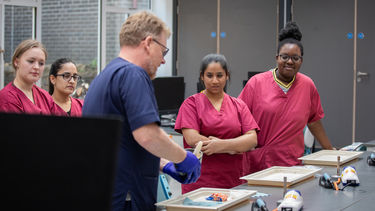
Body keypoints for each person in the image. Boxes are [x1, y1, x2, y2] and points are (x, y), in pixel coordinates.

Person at [82, 11, 201, 211]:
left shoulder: (106, 75)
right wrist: (182, 158)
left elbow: (125, 145)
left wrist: (164, 164)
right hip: (127, 199)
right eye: (163, 52)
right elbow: (148, 136)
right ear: (148, 42)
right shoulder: (133, 74)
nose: (163, 61)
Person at [238, 22, 334, 175]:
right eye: (285, 57)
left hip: (294, 164)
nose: (290, 62)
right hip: (260, 164)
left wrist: (330, 151)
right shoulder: (256, 83)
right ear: (277, 58)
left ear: (301, 60)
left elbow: (314, 120)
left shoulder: (307, 85)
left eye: (295, 58)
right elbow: (238, 118)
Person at [174, 54, 259, 194]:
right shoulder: (191, 104)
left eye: (219, 75)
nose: (215, 81)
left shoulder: (239, 105)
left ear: (227, 76)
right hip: (200, 183)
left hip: (234, 182)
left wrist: (221, 146)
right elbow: (192, 139)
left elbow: (252, 139)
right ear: (202, 76)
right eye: (209, 75)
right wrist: (235, 147)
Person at [0, 39, 57, 114]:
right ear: (16, 62)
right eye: (31, 61)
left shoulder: (45, 96)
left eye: (41, 63)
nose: (36, 67)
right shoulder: (7, 98)